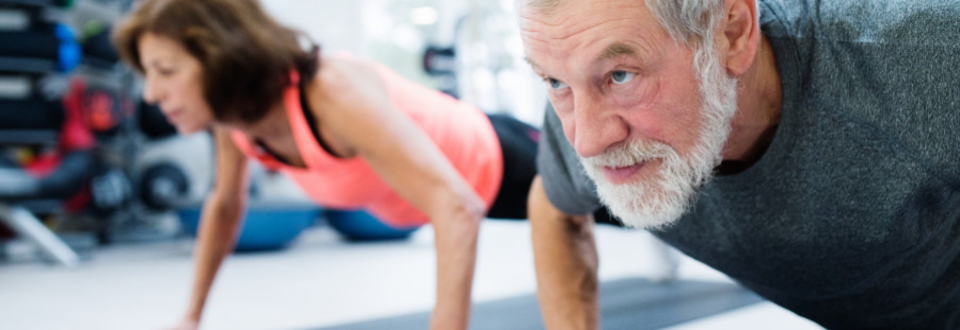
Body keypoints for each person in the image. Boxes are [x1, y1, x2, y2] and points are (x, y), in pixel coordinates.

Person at [518, 0, 960, 328]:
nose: (588, 141)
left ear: (731, 34)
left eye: (621, 75)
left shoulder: (928, 58)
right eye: (554, 81)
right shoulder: (585, 104)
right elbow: (553, 205)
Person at [112, 0, 539, 329]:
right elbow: (225, 205)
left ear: (220, 58)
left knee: (599, 213)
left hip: (502, 158)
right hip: (454, 195)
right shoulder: (235, 118)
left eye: (165, 71)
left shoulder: (329, 94)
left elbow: (457, 205)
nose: (150, 94)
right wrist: (191, 316)